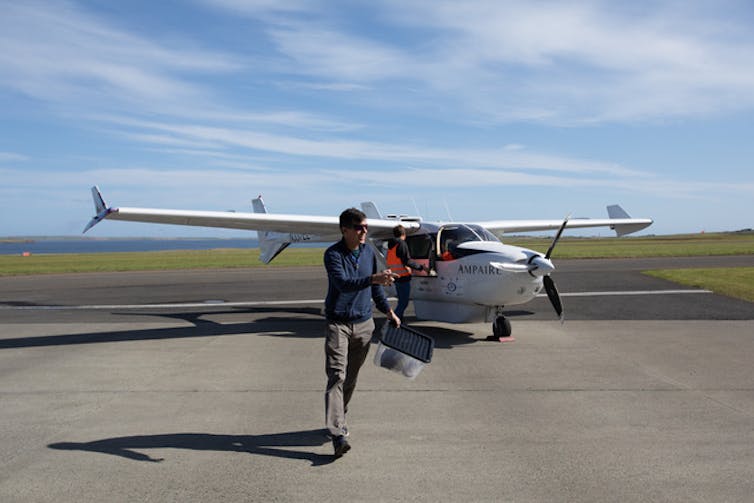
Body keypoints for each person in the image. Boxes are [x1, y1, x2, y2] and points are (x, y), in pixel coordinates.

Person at [323, 207, 401, 458]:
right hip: (339, 324)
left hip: (365, 324)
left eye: (365, 227)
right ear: (345, 230)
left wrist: (388, 311)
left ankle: (340, 415)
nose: (364, 231)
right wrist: (374, 279)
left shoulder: (369, 253)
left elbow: (376, 289)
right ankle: (337, 434)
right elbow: (344, 284)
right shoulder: (333, 254)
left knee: (351, 377)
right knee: (337, 375)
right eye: (359, 227)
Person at [386, 225, 427, 321]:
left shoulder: (391, 246)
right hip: (403, 277)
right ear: (403, 234)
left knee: (401, 301)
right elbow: (407, 261)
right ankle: (394, 320)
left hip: (396, 277)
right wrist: (421, 267)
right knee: (404, 302)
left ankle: (398, 319)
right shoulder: (401, 244)